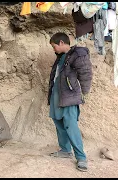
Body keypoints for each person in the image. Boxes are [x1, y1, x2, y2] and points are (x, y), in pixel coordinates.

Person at [48, 32, 92, 172]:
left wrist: (85, 92)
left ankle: (81, 157)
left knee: (70, 126)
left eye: (54, 46)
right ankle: (65, 150)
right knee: (58, 122)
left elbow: (86, 73)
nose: (53, 49)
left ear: (61, 43)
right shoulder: (61, 57)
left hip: (69, 96)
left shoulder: (77, 54)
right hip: (57, 95)